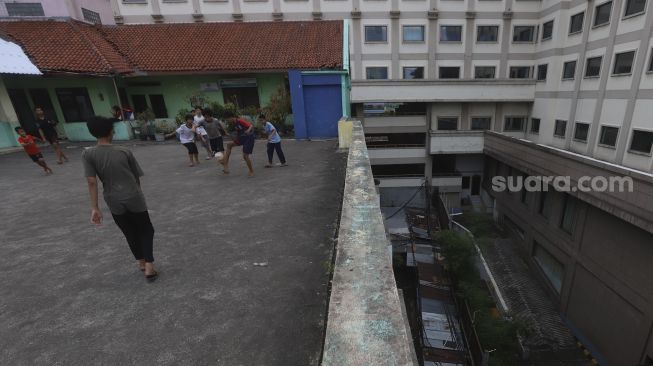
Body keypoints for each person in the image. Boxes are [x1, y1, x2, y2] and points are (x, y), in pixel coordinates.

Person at [82, 116, 158, 281]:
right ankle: (150, 266)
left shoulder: (88, 154)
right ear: (111, 131)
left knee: (129, 232)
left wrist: (95, 207)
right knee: (146, 229)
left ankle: (141, 262)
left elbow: (91, 181)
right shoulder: (124, 151)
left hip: (112, 199)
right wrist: (137, 192)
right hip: (133, 195)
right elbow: (136, 177)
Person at [221, 111, 255, 177]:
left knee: (245, 156)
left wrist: (248, 130)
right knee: (229, 145)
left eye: (227, 119)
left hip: (248, 138)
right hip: (242, 138)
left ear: (231, 117)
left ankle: (251, 171)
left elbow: (251, 125)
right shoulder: (234, 123)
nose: (227, 121)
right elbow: (239, 132)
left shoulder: (240, 121)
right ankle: (225, 164)